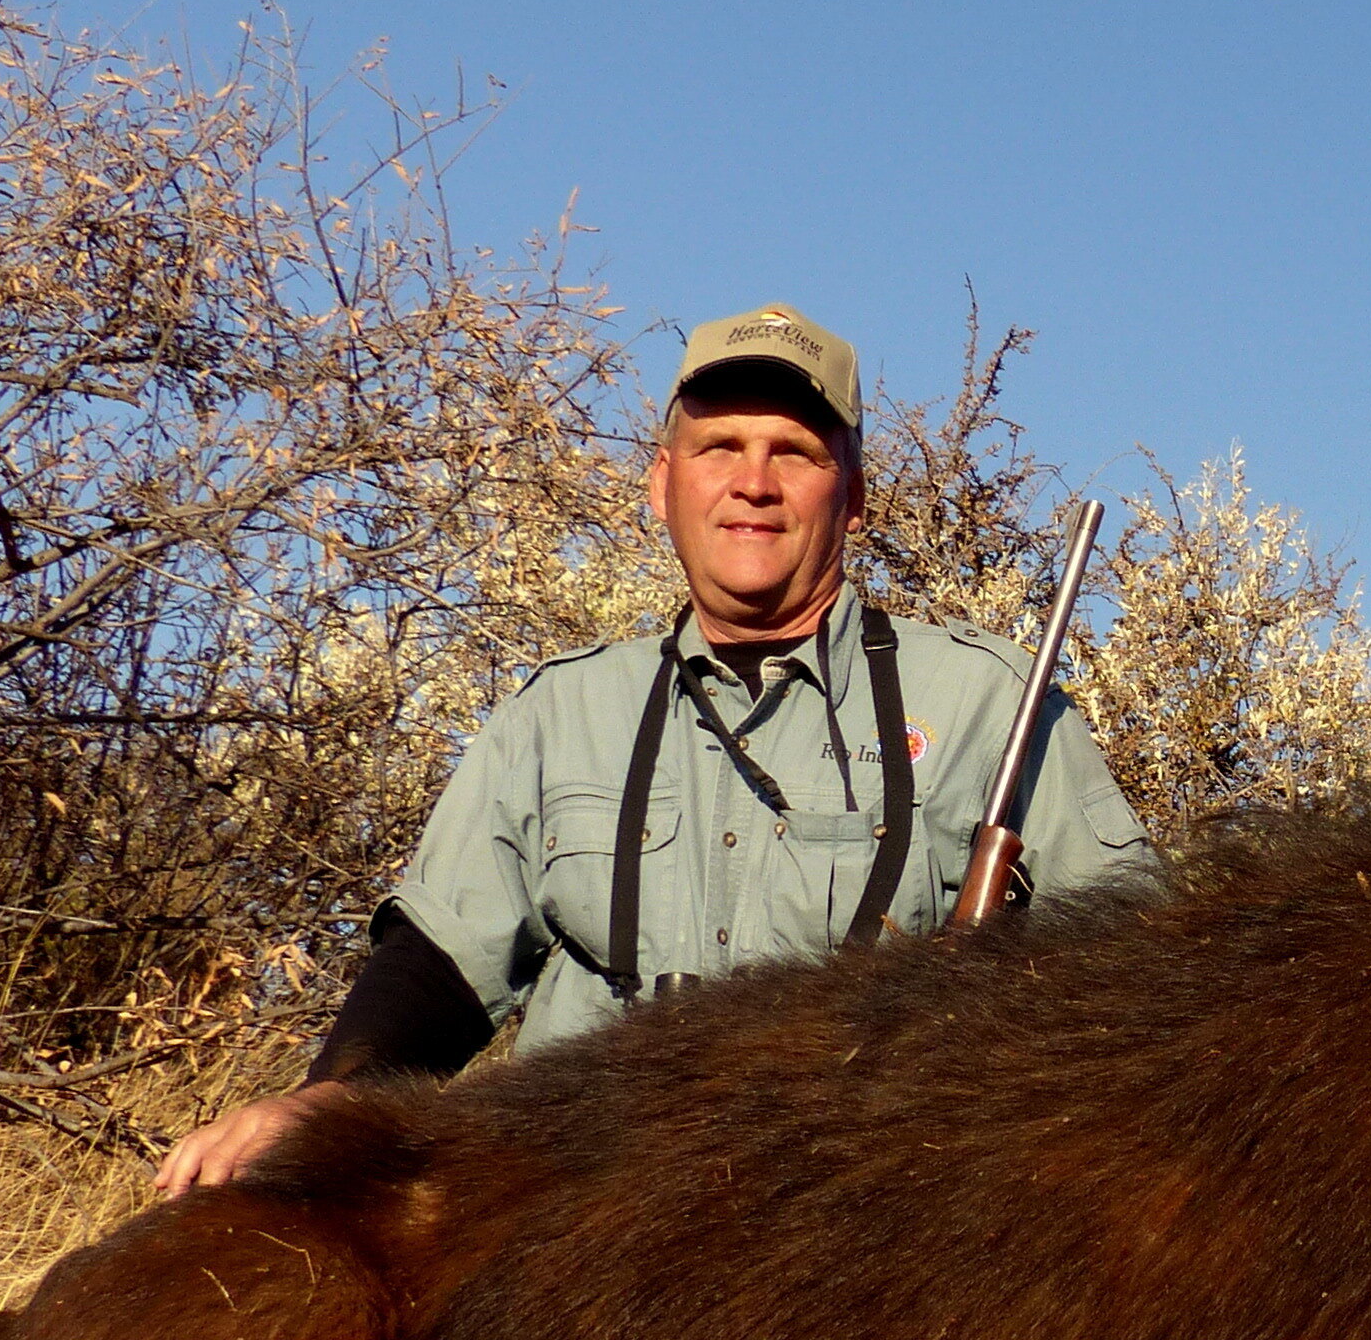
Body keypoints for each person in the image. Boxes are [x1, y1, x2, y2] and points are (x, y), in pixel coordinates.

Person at [160, 303, 1159, 1194]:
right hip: (573, 1211)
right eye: (720, 446)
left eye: (795, 452)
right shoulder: (559, 714)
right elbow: (445, 961)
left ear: (851, 499)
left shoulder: (991, 702)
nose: (754, 484)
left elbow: (1136, 974)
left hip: (865, 1218)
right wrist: (325, 1101)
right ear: (662, 486)